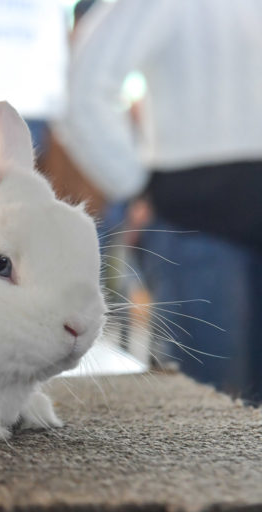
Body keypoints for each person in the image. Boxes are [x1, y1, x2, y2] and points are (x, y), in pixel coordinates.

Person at [54, 0, 262, 402]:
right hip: (197, 222)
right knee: (205, 409)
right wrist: (134, 180)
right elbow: (83, 86)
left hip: (200, 217)